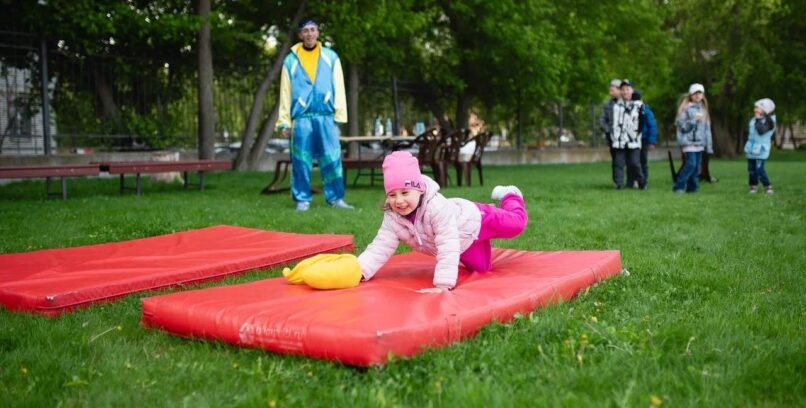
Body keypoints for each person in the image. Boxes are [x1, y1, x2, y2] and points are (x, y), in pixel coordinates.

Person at [357, 151, 528, 292]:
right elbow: (380, 246)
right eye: (392, 195)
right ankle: (482, 242)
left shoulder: (435, 208)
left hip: (476, 219)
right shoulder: (393, 217)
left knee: (518, 224)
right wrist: (361, 271)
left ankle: (510, 195)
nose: (399, 201)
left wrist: (443, 284)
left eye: (405, 193)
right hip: (465, 242)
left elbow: (447, 243)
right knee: (482, 268)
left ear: (419, 190)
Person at [277, 18, 353, 212]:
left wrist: (339, 116)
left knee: (332, 157)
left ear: (318, 32)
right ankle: (302, 199)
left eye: (312, 30)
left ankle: (336, 198)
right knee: (301, 161)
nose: (309, 34)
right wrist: (284, 122)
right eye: (305, 30)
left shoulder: (331, 57)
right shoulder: (290, 61)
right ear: (300, 35)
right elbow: (285, 92)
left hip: (326, 117)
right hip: (301, 119)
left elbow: (339, 87)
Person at [673, 83, 713, 193]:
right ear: (691, 95)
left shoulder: (704, 109)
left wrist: (709, 146)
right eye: (695, 93)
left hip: (700, 143)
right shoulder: (685, 109)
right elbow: (682, 126)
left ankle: (693, 188)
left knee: (696, 167)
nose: (697, 95)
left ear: (703, 95)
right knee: (691, 164)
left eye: (700, 93)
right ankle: (678, 186)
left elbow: (707, 129)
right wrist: (694, 120)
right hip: (688, 142)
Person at [610, 80, 645, 189]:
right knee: (618, 163)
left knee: (634, 163)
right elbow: (614, 122)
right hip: (619, 141)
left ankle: (642, 182)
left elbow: (642, 121)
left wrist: (635, 134)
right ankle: (619, 184)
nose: (625, 92)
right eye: (623, 89)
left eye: (627, 89)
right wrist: (614, 136)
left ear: (632, 90)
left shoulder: (638, 105)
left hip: (633, 141)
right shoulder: (616, 106)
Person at [744, 98, 777, 194]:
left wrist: (758, 119)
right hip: (751, 148)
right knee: (751, 169)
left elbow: (761, 131)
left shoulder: (770, 121)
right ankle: (753, 186)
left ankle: (767, 186)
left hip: (761, 149)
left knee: (759, 169)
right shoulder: (754, 119)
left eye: (758, 108)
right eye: (755, 107)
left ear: (765, 110)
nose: (755, 109)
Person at [627, 89, 657, 188]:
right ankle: (633, 181)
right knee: (635, 161)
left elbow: (651, 125)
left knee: (641, 161)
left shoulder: (644, 109)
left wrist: (651, 141)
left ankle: (642, 181)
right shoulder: (631, 108)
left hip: (642, 139)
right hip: (633, 139)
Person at [599, 79, 622, 187]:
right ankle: (617, 182)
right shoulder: (607, 104)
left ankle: (633, 181)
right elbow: (602, 120)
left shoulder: (629, 102)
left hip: (628, 138)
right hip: (613, 138)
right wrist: (609, 132)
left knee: (632, 160)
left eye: (612, 90)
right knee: (616, 160)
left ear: (619, 90)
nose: (610, 93)